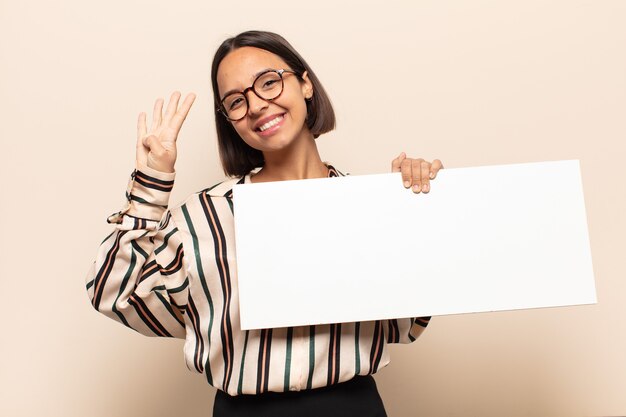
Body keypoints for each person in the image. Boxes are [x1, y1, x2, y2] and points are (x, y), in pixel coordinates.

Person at [85, 30, 443, 417]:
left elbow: (405, 325)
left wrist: (409, 211)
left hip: (352, 406)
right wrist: (151, 182)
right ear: (230, 120)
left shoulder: (367, 204)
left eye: (269, 82)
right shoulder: (205, 216)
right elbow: (111, 292)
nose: (256, 105)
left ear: (305, 83)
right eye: (236, 101)